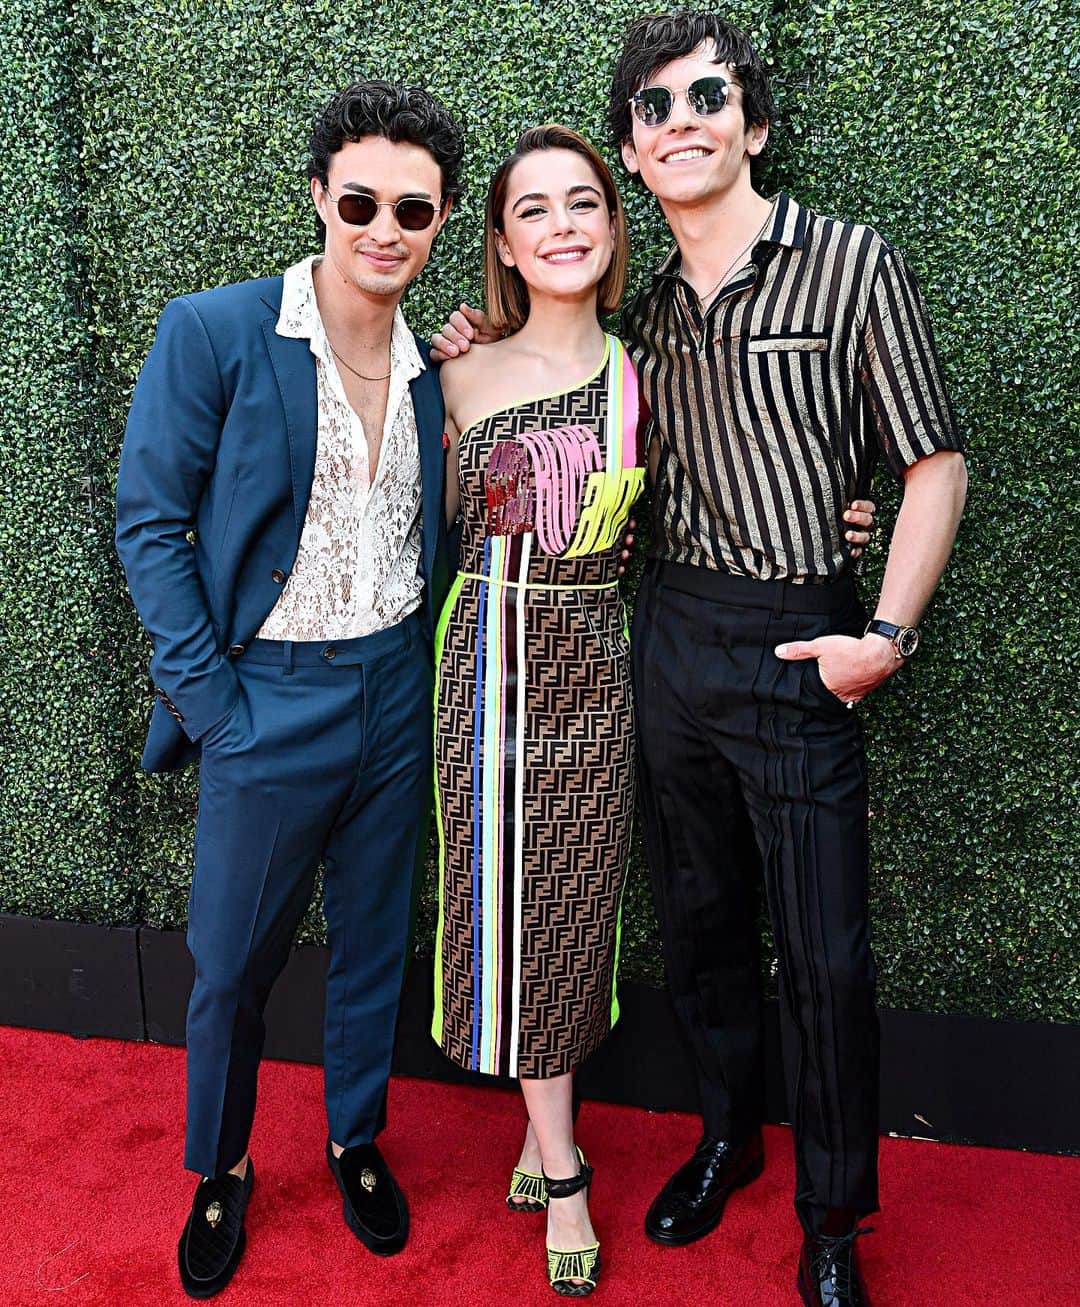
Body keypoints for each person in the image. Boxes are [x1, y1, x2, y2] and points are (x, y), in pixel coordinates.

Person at [432, 12, 966, 1305]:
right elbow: (563, 432)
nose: (685, 119)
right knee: (703, 925)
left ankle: (832, 1221)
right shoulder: (635, 322)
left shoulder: (849, 263)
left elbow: (933, 459)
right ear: (634, 151)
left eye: (709, 95)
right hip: (664, 641)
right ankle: (727, 1133)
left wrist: (881, 634)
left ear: (753, 123)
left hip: (803, 643)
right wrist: (469, 359)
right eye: (656, 106)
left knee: (827, 951)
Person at [115, 80, 463, 1297]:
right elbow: (150, 520)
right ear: (319, 197)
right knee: (229, 963)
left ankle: (354, 1136)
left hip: (392, 692)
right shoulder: (215, 331)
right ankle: (221, 1164)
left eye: (411, 209)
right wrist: (215, 707)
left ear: (438, 220)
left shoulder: (436, 369)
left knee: (374, 945)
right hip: (265, 696)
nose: (384, 228)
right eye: (360, 199)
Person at [432, 124, 647, 1297]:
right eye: (535, 211)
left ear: (613, 230)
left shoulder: (645, 372)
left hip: (594, 662)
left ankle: (539, 1124)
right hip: (483, 663)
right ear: (506, 245)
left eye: (584, 204)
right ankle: (565, 1168)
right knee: (496, 893)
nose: (562, 225)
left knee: (571, 901)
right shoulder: (452, 372)